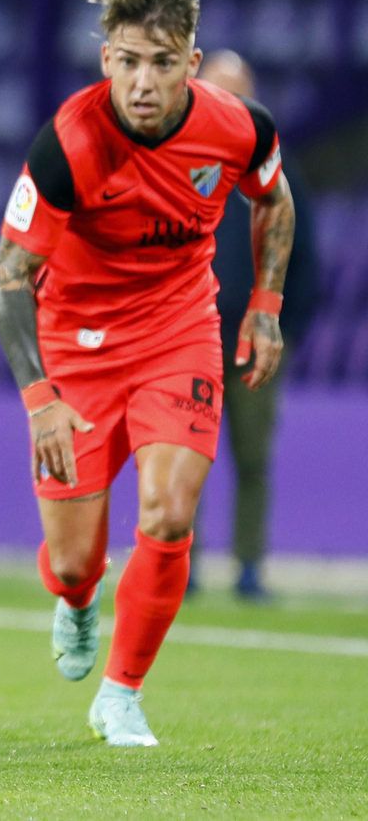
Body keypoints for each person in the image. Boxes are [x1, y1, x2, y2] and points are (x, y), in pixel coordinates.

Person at [0, 0, 293, 747]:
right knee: (73, 558)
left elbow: (275, 199)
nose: (143, 81)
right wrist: (39, 397)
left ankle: (122, 693)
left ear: (191, 64)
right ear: (104, 61)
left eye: (161, 61)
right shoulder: (70, 141)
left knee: (167, 511)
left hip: (178, 329)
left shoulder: (239, 128)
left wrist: (265, 305)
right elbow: (9, 274)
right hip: (77, 346)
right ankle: (78, 600)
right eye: (127, 61)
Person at [194, 51, 318, 600]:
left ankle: (248, 567)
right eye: (219, 91)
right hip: (190, 342)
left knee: (252, 459)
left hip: (252, 345)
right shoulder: (178, 168)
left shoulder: (276, 175)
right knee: (183, 459)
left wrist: (284, 329)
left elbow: (305, 261)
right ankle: (179, 566)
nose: (230, 103)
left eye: (238, 92)